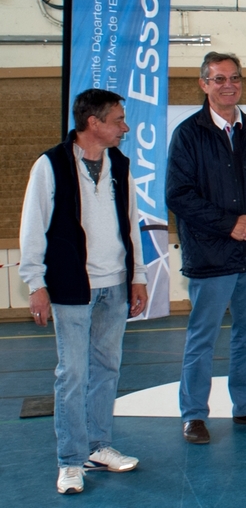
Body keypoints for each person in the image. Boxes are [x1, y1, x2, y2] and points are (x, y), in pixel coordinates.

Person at [19, 89, 149, 495]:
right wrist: (36, 284)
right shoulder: (50, 165)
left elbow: (131, 223)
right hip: (71, 286)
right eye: (118, 120)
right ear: (94, 123)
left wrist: (138, 276)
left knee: (107, 369)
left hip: (115, 284)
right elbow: (33, 225)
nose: (125, 127)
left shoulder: (120, 165)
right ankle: (70, 460)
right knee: (73, 374)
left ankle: (97, 446)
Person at [167, 51, 246, 445]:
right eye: (219, 79)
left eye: (234, 78)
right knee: (203, 336)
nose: (228, 85)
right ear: (204, 84)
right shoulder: (188, 134)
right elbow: (179, 195)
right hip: (211, 255)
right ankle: (194, 415)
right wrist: (228, 224)